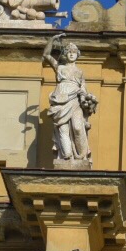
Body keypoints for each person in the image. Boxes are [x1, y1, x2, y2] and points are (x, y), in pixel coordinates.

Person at [41, 36, 97, 165]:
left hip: (75, 99)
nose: (72, 54)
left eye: (74, 52)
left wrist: (85, 98)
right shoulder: (60, 68)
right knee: (63, 129)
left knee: (78, 128)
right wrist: (52, 40)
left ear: (77, 55)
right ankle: (66, 157)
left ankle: (81, 156)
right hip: (60, 98)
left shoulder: (80, 72)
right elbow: (46, 54)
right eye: (69, 52)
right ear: (66, 54)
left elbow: (83, 87)